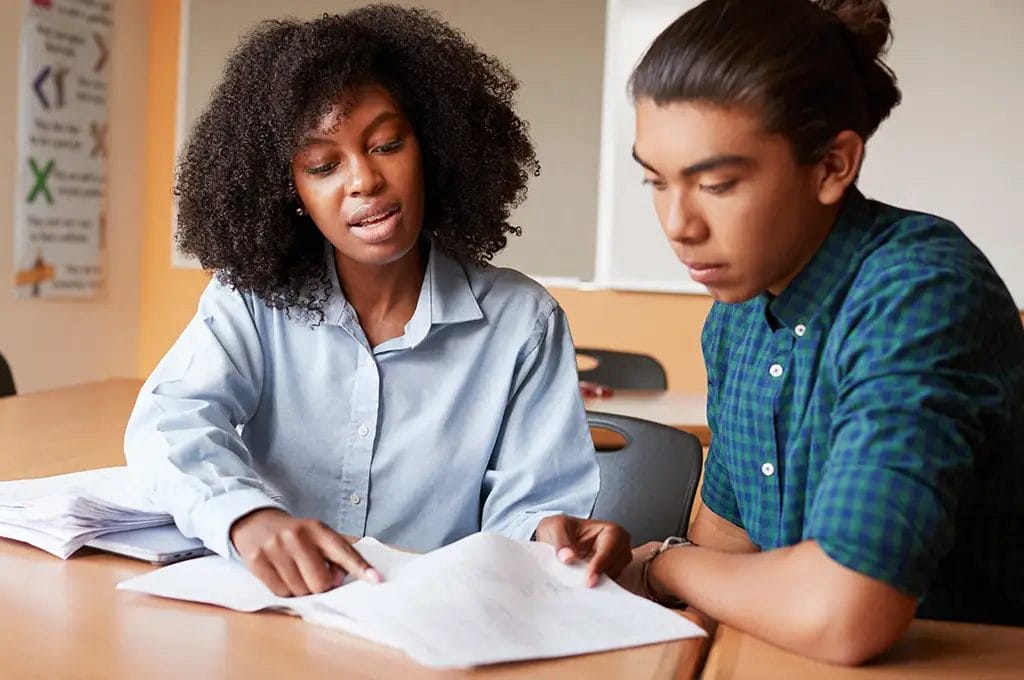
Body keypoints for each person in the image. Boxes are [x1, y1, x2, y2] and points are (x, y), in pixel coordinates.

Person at [125, 5, 630, 598]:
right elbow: (171, 421)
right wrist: (244, 516)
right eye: (323, 165)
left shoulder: (522, 322)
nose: (363, 180)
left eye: (386, 143)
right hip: (274, 612)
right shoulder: (251, 299)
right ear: (291, 191)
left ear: (433, 150)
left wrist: (550, 533)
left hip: (433, 623)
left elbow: (529, 511)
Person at [616, 0, 1024, 665]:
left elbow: (845, 612)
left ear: (834, 165)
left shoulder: (919, 293)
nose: (677, 224)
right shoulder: (735, 316)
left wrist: (663, 565)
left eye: (715, 183)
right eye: (655, 182)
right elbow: (727, 547)